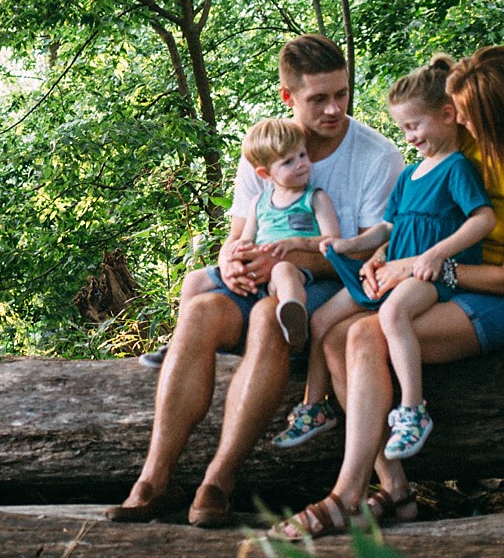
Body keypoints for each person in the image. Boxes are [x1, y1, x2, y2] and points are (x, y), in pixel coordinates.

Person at [274, 45, 504, 539]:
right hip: (438, 279)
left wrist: (418, 268)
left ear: (497, 115)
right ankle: (393, 489)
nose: (457, 119)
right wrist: (381, 261)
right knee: (334, 337)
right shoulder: (466, 146)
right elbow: (414, 216)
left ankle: (346, 496)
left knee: (365, 336)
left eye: (468, 113)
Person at [107, 33, 404, 528]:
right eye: (319, 99)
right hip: (258, 279)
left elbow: (373, 254)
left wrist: (294, 263)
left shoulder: (377, 157)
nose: (335, 109)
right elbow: (240, 228)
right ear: (289, 97)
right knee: (200, 310)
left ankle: (216, 483)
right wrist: (230, 259)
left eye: (342, 94)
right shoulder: (266, 148)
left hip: (328, 288)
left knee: (270, 316)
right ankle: (153, 481)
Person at [310, 54, 495, 460]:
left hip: (427, 277)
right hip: (393, 269)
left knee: (393, 314)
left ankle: (412, 410)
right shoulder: (410, 175)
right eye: (403, 128)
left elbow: (483, 218)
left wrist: (436, 254)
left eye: (414, 126)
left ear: (448, 115)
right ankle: (314, 405)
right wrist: (348, 246)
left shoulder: (457, 168)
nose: (408, 136)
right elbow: (386, 229)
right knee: (322, 318)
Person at [232, 117, 342, 353]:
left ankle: (294, 317)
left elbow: (332, 240)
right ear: (265, 174)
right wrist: (236, 254)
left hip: (295, 269)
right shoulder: (259, 203)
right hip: (258, 272)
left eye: (302, 155)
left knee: (283, 270)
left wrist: (296, 243)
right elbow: (246, 237)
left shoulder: (314, 198)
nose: (301, 164)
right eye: (289, 161)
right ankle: (179, 339)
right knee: (196, 279)